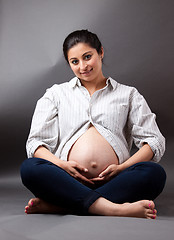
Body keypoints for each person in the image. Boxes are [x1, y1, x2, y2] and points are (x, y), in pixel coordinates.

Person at [20, 29, 166, 219]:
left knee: (154, 173)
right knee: (30, 168)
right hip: (67, 179)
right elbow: (35, 143)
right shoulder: (55, 94)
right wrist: (62, 166)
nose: (83, 66)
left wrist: (122, 168)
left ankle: (64, 205)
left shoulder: (128, 94)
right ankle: (114, 208)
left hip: (115, 180)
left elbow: (154, 141)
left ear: (101, 52)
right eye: (75, 61)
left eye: (87, 57)